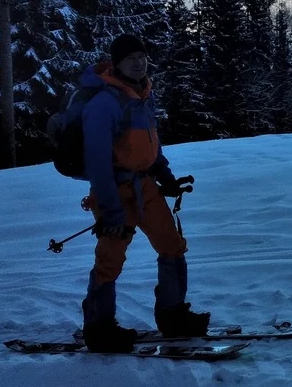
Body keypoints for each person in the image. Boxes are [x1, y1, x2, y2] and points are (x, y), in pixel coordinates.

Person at [77, 33, 210, 352]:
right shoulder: (104, 104)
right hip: (113, 190)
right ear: (117, 64)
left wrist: (166, 177)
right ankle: (99, 327)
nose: (138, 63)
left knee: (172, 246)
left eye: (142, 56)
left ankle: (173, 315)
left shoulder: (143, 95)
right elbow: (97, 163)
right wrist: (110, 210)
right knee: (110, 259)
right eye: (130, 58)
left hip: (145, 186)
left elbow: (151, 144)